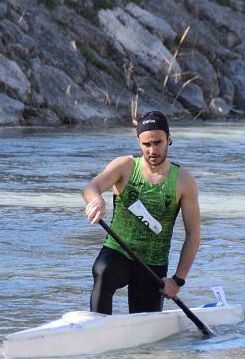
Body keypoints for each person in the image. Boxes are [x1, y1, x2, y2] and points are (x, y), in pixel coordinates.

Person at [82, 110, 200, 314]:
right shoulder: (124, 166)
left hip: (153, 264)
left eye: (158, 143)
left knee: (145, 321)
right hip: (118, 251)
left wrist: (177, 280)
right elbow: (91, 188)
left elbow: (193, 234)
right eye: (146, 144)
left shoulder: (183, 180)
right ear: (139, 142)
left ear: (169, 140)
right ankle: (97, 328)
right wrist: (97, 201)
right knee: (102, 270)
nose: (153, 150)